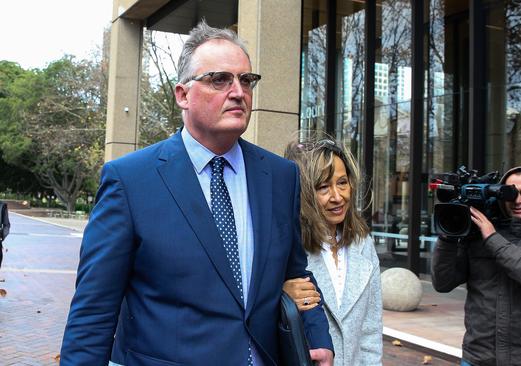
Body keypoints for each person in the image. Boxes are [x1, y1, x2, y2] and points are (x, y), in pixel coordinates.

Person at [60, 20, 334, 366]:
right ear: (182, 95)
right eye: (219, 79)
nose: (238, 91)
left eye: (246, 80)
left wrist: (317, 336)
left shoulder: (280, 177)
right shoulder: (130, 181)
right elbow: (94, 310)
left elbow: (295, 274)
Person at [432, 166, 521, 366]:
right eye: (511, 194)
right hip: (477, 358)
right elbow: (443, 283)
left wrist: (492, 237)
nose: (517, 200)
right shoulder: (477, 237)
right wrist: (448, 236)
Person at [282, 138, 383, 365]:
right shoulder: (286, 249)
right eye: (323, 187)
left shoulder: (363, 245)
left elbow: (371, 333)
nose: (338, 197)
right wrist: (281, 294)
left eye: (342, 183)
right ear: (303, 193)